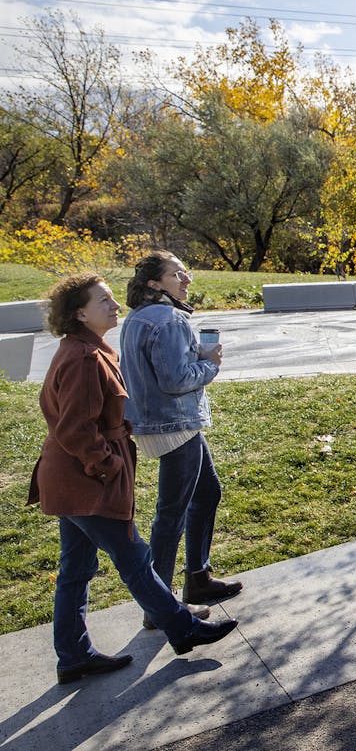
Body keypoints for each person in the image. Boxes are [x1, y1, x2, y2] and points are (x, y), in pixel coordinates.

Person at [29, 273, 238, 685]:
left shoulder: (85, 348)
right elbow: (76, 429)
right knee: (134, 558)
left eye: (111, 298)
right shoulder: (84, 358)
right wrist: (107, 466)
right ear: (79, 313)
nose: (114, 305)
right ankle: (183, 628)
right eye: (103, 300)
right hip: (84, 482)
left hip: (67, 479)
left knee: (77, 568)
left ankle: (73, 655)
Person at [121, 252, 242, 617]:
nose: (186, 279)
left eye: (185, 272)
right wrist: (210, 364)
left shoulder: (137, 317)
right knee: (171, 513)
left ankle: (198, 578)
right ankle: (161, 608)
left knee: (207, 493)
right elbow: (176, 380)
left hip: (157, 422)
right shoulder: (170, 319)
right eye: (177, 274)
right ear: (155, 284)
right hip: (174, 425)